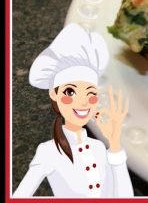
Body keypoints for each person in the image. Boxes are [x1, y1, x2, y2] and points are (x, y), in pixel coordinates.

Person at [13, 24, 134, 197]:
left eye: (91, 93)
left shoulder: (99, 147)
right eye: (70, 92)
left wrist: (114, 143)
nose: (83, 102)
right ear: (54, 93)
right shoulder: (48, 151)